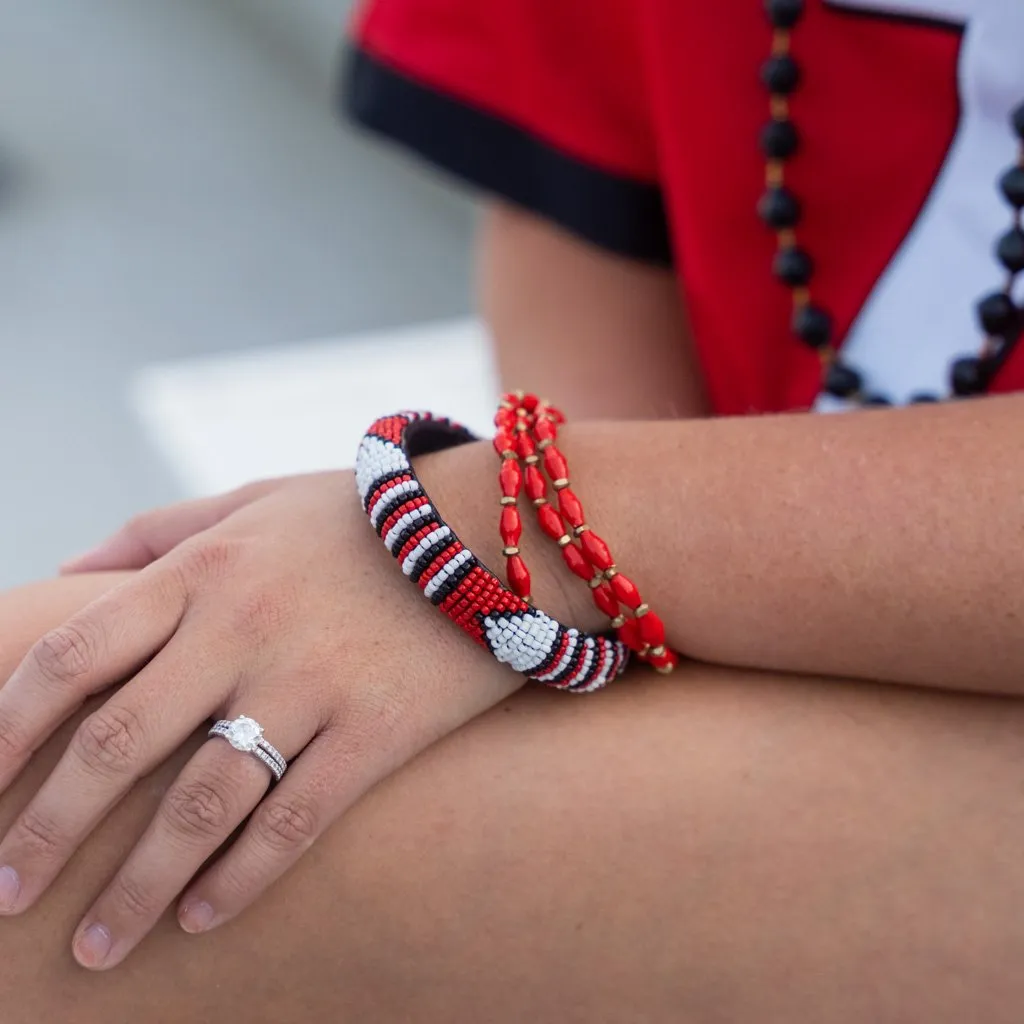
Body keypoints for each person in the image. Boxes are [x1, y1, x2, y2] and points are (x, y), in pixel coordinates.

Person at [2, 0, 1024, 1020]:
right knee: (84, 730)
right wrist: (563, 618)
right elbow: (582, 164)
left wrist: (515, 523)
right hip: (719, 580)